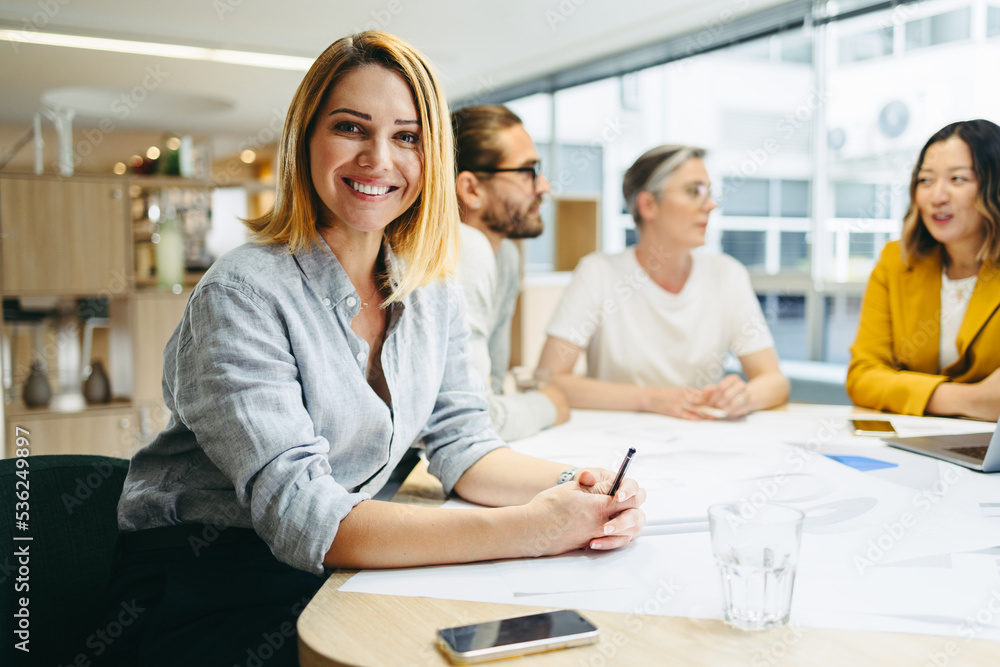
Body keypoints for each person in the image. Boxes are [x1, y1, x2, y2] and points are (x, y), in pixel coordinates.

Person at [99, 31, 645, 667]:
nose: (378, 159)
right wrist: (529, 529)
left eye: (407, 137)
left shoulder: (430, 284)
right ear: (307, 140)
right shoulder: (243, 292)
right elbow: (301, 512)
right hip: (210, 586)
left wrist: (577, 487)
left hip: (341, 565)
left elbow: (464, 444)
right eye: (352, 128)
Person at [537, 144, 789, 420]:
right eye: (694, 191)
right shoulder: (598, 273)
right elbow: (549, 379)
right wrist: (653, 399)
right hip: (615, 446)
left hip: (697, 437)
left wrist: (743, 397)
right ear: (648, 205)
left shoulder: (727, 274)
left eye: (709, 191)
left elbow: (775, 381)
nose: (711, 205)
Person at [846, 119, 1000, 420]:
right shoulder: (896, 262)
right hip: (918, 444)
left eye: (957, 179)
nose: (937, 197)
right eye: (926, 180)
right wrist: (971, 399)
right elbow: (863, 377)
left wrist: (910, 391)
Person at [451, 104, 570, 440]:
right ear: (471, 189)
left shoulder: (505, 258)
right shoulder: (464, 250)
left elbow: (494, 392)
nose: (543, 186)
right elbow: (476, 420)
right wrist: (548, 403)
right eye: (527, 171)